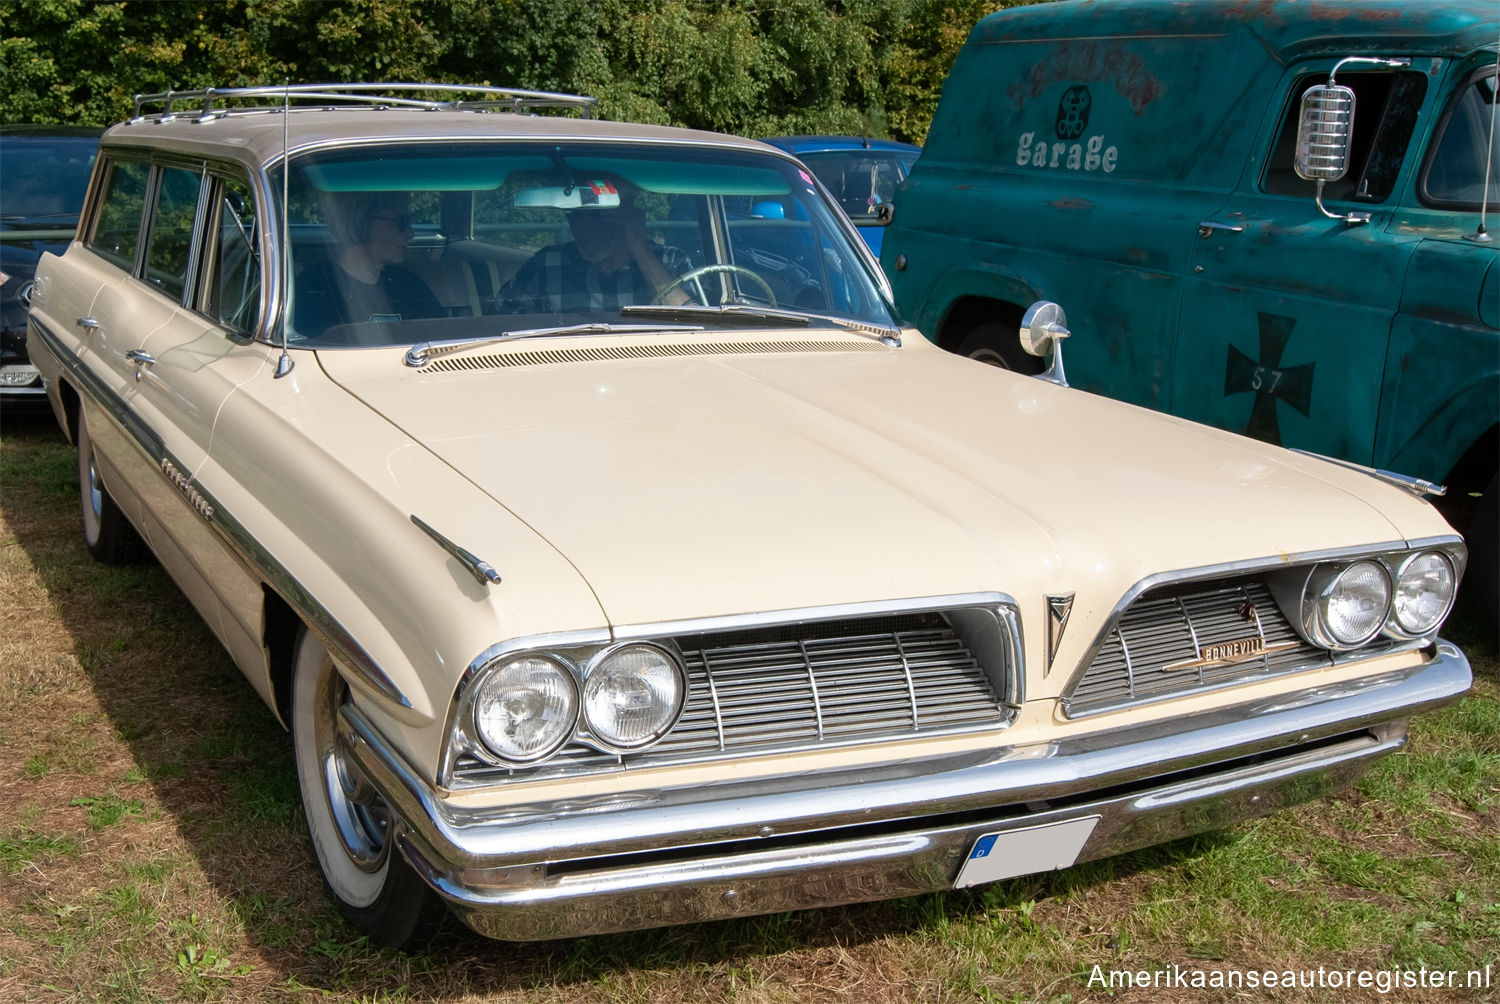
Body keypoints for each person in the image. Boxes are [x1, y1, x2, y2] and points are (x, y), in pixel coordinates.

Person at [496, 191, 693, 314]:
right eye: (576, 215)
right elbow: (499, 320)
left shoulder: (670, 261)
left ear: (627, 216)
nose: (585, 227)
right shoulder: (548, 263)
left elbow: (694, 323)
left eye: (597, 215)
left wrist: (640, 249)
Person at [294, 191, 442, 339]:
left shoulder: (410, 284)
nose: (411, 233)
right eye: (402, 222)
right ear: (361, 220)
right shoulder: (313, 287)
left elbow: (441, 338)